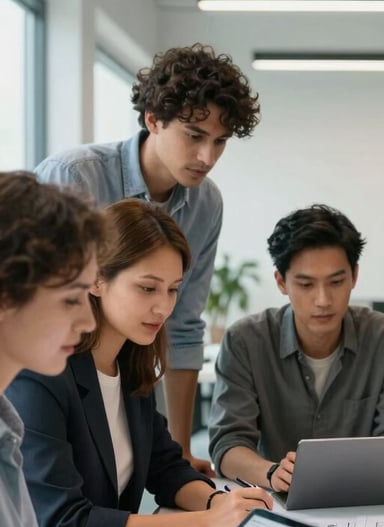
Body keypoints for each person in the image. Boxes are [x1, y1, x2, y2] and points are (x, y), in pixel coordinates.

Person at [0, 172, 262, 527]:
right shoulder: (37, 383)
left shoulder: (121, 364)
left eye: (172, 290)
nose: (84, 316)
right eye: (72, 296)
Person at [6, 199, 271, 527]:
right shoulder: (41, 376)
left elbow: (164, 466)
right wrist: (209, 522)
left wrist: (218, 503)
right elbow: (68, 526)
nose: (163, 308)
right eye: (147, 289)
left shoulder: (131, 363)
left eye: (173, 289)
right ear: (96, 279)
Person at [35, 43, 261, 475]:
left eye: (220, 142)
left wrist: (178, 451)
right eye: (195, 136)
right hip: (48, 381)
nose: (207, 158)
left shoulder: (205, 203)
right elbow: (34, 304)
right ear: (153, 120)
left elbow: (184, 324)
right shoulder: (74, 177)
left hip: (122, 377)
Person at [208, 204, 384, 492]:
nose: (323, 300)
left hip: (364, 496)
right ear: (281, 282)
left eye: (336, 282)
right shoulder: (245, 341)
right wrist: (271, 473)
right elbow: (228, 444)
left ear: (354, 276)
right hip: (275, 499)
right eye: (306, 284)